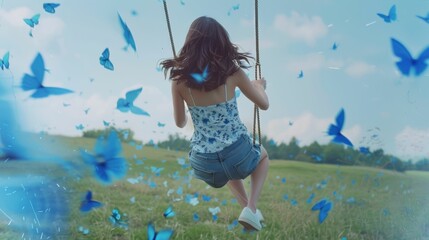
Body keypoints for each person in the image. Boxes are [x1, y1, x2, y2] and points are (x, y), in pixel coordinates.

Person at [161, 16, 269, 231]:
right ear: (221, 42)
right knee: (263, 157)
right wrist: (259, 86)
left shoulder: (178, 80)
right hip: (236, 153)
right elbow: (263, 104)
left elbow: (180, 123)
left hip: (205, 165)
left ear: (189, 42)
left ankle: (250, 214)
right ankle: (252, 206)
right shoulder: (233, 72)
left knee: (226, 166)